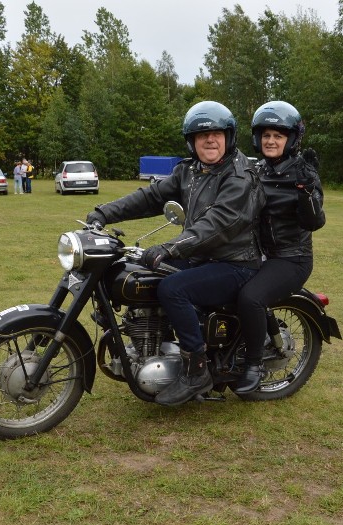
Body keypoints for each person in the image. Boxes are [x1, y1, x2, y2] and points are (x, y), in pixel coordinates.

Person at [85, 100, 264, 406]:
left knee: (173, 288)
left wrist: (170, 247)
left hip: (235, 262)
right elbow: (150, 197)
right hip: (200, 255)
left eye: (217, 133)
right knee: (141, 274)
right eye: (201, 135)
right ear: (192, 141)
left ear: (229, 136)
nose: (210, 139)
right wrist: (103, 213)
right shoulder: (189, 171)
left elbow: (218, 224)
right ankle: (158, 344)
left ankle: (197, 370)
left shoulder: (239, 176)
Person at [232, 101, 326, 394]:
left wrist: (306, 190)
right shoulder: (256, 170)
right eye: (266, 135)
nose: (271, 141)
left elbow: (314, 222)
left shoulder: (303, 173)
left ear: (292, 139)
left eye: (278, 135)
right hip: (256, 253)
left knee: (250, 298)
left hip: (290, 258)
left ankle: (254, 364)